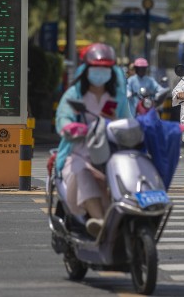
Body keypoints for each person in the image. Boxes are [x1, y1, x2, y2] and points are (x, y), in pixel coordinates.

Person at [55, 43, 132, 238]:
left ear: (111, 71)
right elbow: (63, 117)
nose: (100, 73)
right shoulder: (75, 95)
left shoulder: (118, 97)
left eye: (105, 68)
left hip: (110, 152)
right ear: (87, 70)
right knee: (81, 172)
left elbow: (129, 123)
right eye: (96, 68)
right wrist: (70, 127)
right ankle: (99, 220)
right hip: (78, 151)